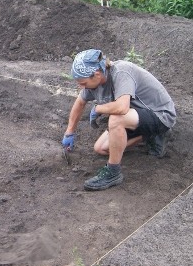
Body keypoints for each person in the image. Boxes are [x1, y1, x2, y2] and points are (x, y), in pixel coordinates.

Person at [61, 48, 176, 191]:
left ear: (97, 74)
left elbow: (122, 108)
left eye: (83, 83)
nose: (81, 87)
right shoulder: (93, 81)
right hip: (135, 117)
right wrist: (69, 132)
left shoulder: (121, 72)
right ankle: (150, 136)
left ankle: (113, 173)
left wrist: (97, 109)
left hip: (160, 115)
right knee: (101, 148)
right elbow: (80, 103)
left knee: (116, 119)